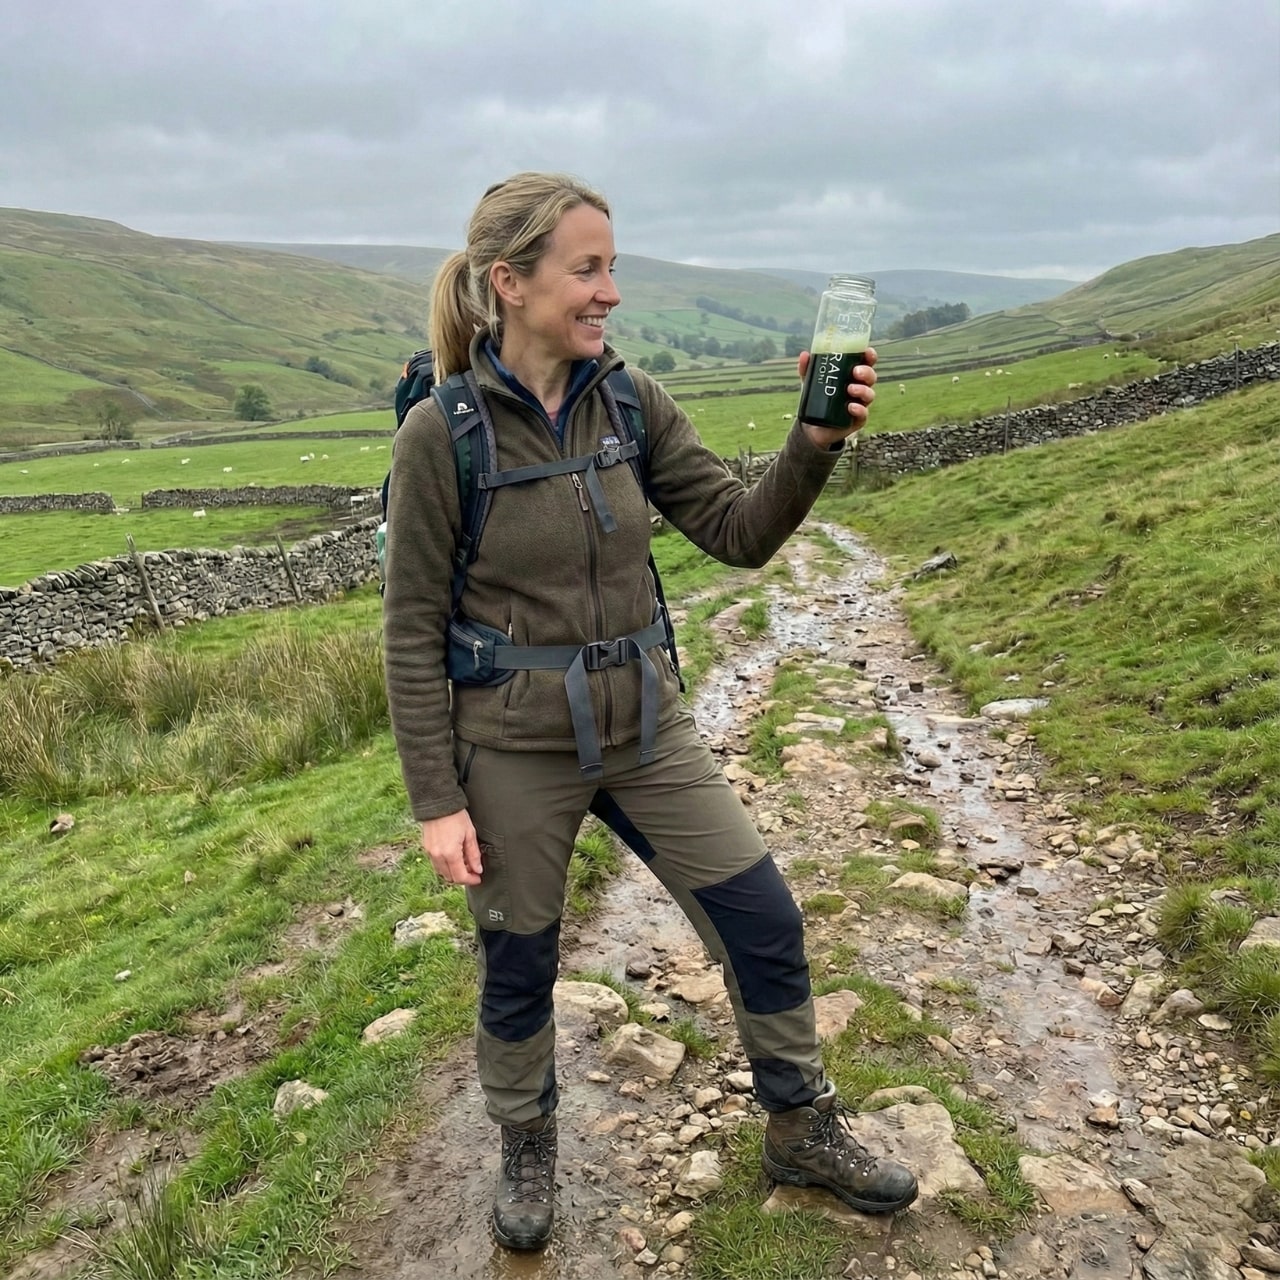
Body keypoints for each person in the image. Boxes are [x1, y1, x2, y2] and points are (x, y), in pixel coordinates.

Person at [382, 171, 918, 1252]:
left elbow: (734, 529)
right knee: (518, 956)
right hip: (511, 746)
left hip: (643, 727)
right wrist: (436, 799)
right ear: (511, 282)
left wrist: (810, 449)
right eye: (587, 269)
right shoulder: (441, 436)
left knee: (761, 917)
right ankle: (526, 1135)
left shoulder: (630, 400)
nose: (609, 292)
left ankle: (800, 1122)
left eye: (611, 267)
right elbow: (407, 629)